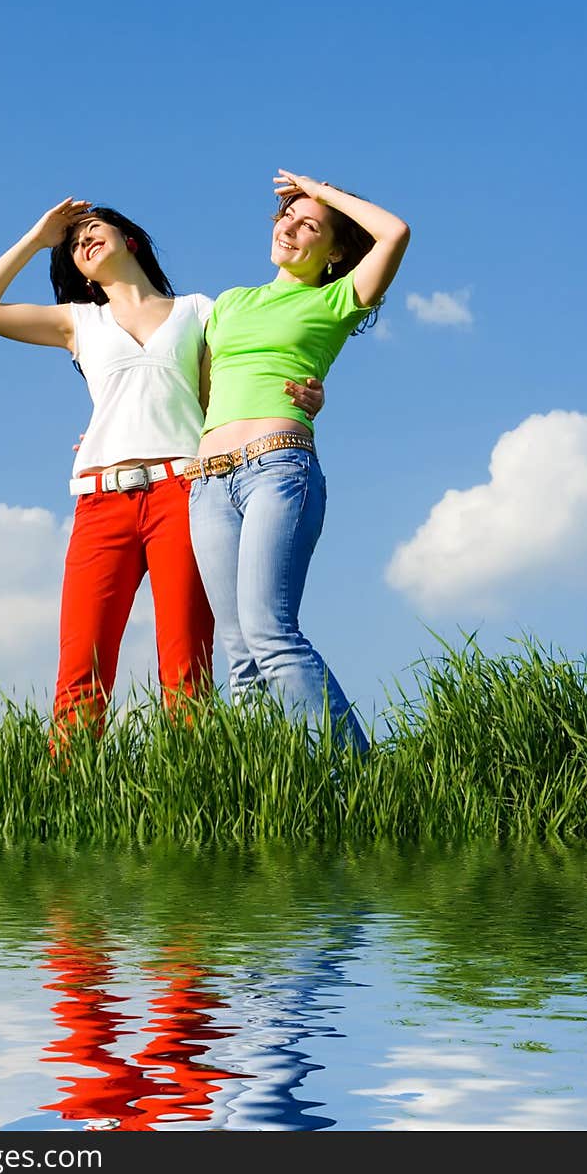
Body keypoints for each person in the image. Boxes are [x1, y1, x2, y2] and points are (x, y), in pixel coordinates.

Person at [0, 197, 324, 739]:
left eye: (92, 229)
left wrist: (307, 397)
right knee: (82, 665)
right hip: (101, 501)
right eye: (73, 242)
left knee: (186, 666)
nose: (81, 241)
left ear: (131, 239)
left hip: (185, 492)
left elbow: (246, 370)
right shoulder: (78, 322)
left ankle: (189, 788)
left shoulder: (200, 310)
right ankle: (67, 796)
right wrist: (38, 239)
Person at [186, 169, 410, 753]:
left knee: (271, 634)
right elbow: (199, 392)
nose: (288, 226)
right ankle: (275, 799)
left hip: (277, 471)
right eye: (286, 215)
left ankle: (366, 783)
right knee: (238, 659)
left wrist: (320, 189)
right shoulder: (230, 304)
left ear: (334, 252)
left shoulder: (337, 300)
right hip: (208, 484)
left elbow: (395, 233)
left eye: (308, 224)